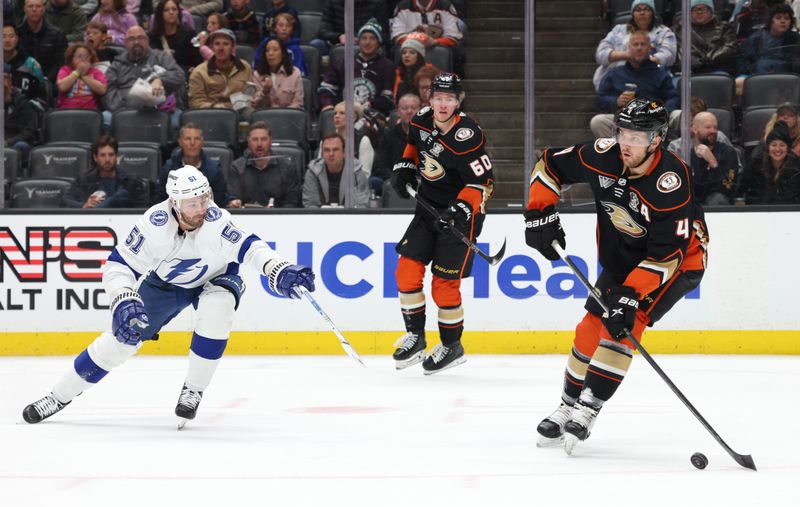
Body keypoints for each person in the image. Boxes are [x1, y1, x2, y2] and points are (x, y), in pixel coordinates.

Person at [22, 165, 316, 426]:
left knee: (218, 311)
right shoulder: (154, 224)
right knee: (119, 340)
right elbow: (118, 266)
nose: (202, 208)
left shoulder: (217, 220)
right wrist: (124, 298)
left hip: (216, 278)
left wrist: (278, 268)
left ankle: (194, 390)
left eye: (205, 198)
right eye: (192, 203)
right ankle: (57, 396)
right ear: (175, 204)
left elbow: (253, 249)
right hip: (165, 285)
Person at [525, 98, 708, 453]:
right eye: (623, 133)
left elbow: (668, 253)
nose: (627, 143)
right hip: (624, 259)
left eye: (637, 137)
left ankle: (587, 410)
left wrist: (632, 293)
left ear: (656, 140)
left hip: (677, 264)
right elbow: (548, 166)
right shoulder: (603, 155)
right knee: (589, 328)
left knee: (624, 323)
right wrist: (539, 211)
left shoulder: (671, 181)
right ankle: (567, 406)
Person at [389, 72, 494, 374]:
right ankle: (416, 336)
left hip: (463, 213)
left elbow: (484, 183)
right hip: (427, 207)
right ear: (430, 98)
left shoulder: (468, 135)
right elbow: (413, 146)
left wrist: (461, 208)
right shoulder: (421, 120)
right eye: (438, 98)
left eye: (449, 99)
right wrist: (405, 166)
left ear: (458, 101)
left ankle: (451, 345)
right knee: (406, 272)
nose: (443, 104)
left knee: (444, 285)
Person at [591, 30, 679, 139]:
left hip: (654, 118)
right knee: (598, 121)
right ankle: (614, 153)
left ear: (650, 48)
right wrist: (616, 101)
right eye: (635, 44)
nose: (639, 48)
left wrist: (661, 112)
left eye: (643, 44)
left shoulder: (661, 74)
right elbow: (601, 98)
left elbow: (672, 98)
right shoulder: (615, 73)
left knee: (680, 115)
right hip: (624, 119)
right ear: (629, 47)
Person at [593, 0, 676, 90]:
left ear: (653, 13)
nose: (642, 12)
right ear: (633, 14)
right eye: (638, 9)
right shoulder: (618, 30)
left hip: (649, 79)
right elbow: (601, 54)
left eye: (647, 9)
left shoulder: (664, 32)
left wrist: (641, 60)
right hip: (615, 79)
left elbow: (668, 55)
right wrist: (627, 55)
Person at [318, 17, 395, 115]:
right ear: (358, 42)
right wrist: (327, 104)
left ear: (379, 43)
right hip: (343, 113)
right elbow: (326, 89)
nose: (367, 42)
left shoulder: (387, 66)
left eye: (372, 38)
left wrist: (371, 104)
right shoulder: (342, 63)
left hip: (372, 114)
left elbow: (388, 99)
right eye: (364, 38)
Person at [102, 26, 186, 114]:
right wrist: (123, 110)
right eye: (131, 39)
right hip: (125, 111)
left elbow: (180, 75)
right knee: (105, 117)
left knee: (178, 119)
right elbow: (108, 89)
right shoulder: (117, 63)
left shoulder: (161, 57)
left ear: (147, 40)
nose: (136, 42)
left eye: (140, 38)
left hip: (160, 111)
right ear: (125, 43)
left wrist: (160, 80)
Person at [62, 135, 150, 208]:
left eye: (111, 155)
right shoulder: (83, 179)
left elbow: (143, 208)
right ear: (95, 157)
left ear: (116, 156)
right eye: (102, 155)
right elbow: (65, 201)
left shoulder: (132, 181)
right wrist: (83, 206)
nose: (107, 159)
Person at [228, 122, 302, 208]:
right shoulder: (237, 167)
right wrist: (234, 202)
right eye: (255, 139)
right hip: (247, 218)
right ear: (248, 142)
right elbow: (233, 197)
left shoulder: (287, 167)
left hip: (279, 218)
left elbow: (292, 202)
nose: (259, 144)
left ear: (270, 141)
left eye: (263, 139)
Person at [188, 28, 254, 121]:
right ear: (212, 47)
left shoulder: (245, 67)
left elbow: (249, 93)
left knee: (252, 114)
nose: (221, 48)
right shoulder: (199, 72)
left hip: (238, 109)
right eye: (217, 44)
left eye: (226, 44)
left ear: (233, 48)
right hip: (210, 112)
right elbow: (195, 101)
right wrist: (213, 106)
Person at [155, 123, 228, 204]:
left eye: (197, 139)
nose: (192, 143)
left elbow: (219, 203)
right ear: (180, 142)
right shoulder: (168, 169)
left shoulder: (214, 169)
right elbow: (160, 200)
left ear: (202, 142)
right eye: (188, 139)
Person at [736, 3, 800, 96]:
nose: (783, 21)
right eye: (778, 18)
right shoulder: (756, 38)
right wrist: (752, 71)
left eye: (787, 18)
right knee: (739, 82)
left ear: (791, 22)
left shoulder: (796, 38)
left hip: (787, 79)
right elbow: (742, 59)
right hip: (758, 76)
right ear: (770, 21)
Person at [684, 111, 739, 204]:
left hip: (718, 208)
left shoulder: (728, 153)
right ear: (694, 129)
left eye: (715, 127)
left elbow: (728, 187)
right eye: (708, 127)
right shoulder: (688, 155)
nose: (713, 131)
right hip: (694, 207)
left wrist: (713, 163)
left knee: (718, 198)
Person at [672, 0, 738, 76]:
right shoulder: (678, 30)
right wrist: (692, 62)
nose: (699, 12)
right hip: (687, 72)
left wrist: (707, 59)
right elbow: (675, 53)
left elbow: (730, 47)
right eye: (695, 9)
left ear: (711, 11)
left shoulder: (724, 28)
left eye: (703, 9)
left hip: (717, 69)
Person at [303, 133, 370, 208]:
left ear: (344, 152)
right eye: (327, 150)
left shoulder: (356, 172)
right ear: (322, 153)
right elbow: (310, 205)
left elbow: (361, 205)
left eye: (335, 149)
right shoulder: (313, 172)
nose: (331, 154)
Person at [740, 120, 800, 204]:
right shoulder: (755, 164)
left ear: (788, 148)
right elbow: (743, 191)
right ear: (768, 147)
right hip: (760, 212)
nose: (778, 149)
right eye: (774, 145)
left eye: (782, 145)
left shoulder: (797, 166)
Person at [373, 92, 421, 195]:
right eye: (405, 108)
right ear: (398, 112)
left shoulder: (430, 136)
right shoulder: (388, 135)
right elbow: (381, 164)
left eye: (413, 108)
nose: (409, 111)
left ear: (420, 111)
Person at [16, 0, 68, 82]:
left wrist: (46, 80)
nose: (34, 9)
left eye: (38, 6)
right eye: (30, 6)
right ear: (24, 9)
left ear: (43, 9)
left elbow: (59, 63)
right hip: (21, 81)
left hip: (49, 82)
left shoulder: (57, 34)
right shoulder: (17, 34)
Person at [149, 0, 203, 76]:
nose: (171, 12)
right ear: (160, 14)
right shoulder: (153, 36)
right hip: (159, 75)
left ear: (178, 12)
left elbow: (197, 59)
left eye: (174, 9)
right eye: (166, 10)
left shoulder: (190, 34)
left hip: (183, 75)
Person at [251, 37, 304, 109]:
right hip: (265, 117)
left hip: (289, 116)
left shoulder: (295, 73)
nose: (270, 53)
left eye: (275, 50)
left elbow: (298, 102)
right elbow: (255, 105)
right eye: (267, 50)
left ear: (283, 54)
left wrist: (281, 116)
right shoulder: (257, 75)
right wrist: (265, 91)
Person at [4, 63, 40, 163]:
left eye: (4, 78)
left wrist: (8, 142)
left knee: (21, 146)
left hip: (14, 144)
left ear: (10, 81)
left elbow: (30, 131)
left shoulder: (22, 102)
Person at [56, 43, 108, 110]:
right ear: (71, 58)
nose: (83, 59)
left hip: (90, 110)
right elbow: (62, 87)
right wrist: (77, 72)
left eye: (86, 56)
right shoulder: (65, 70)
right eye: (79, 56)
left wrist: (84, 76)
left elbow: (103, 90)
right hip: (66, 109)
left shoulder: (95, 72)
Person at [254, 12, 307, 77]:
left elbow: (298, 71)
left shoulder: (295, 49)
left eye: (288, 26)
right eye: (281, 25)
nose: (284, 29)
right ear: (275, 28)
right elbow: (257, 62)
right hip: (266, 77)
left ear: (292, 30)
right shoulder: (266, 43)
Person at [3, 23, 46, 101]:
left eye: (11, 36)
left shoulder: (31, 63)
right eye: (3, 36)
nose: (7, 40)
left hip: (25, 108)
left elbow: (41, 94)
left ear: (16, 39)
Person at [392, 36, 433, 104]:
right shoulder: (395, 72)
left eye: (412, 52)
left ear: (419, 56)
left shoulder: (429, 72)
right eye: (404, 53)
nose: (407, 55)